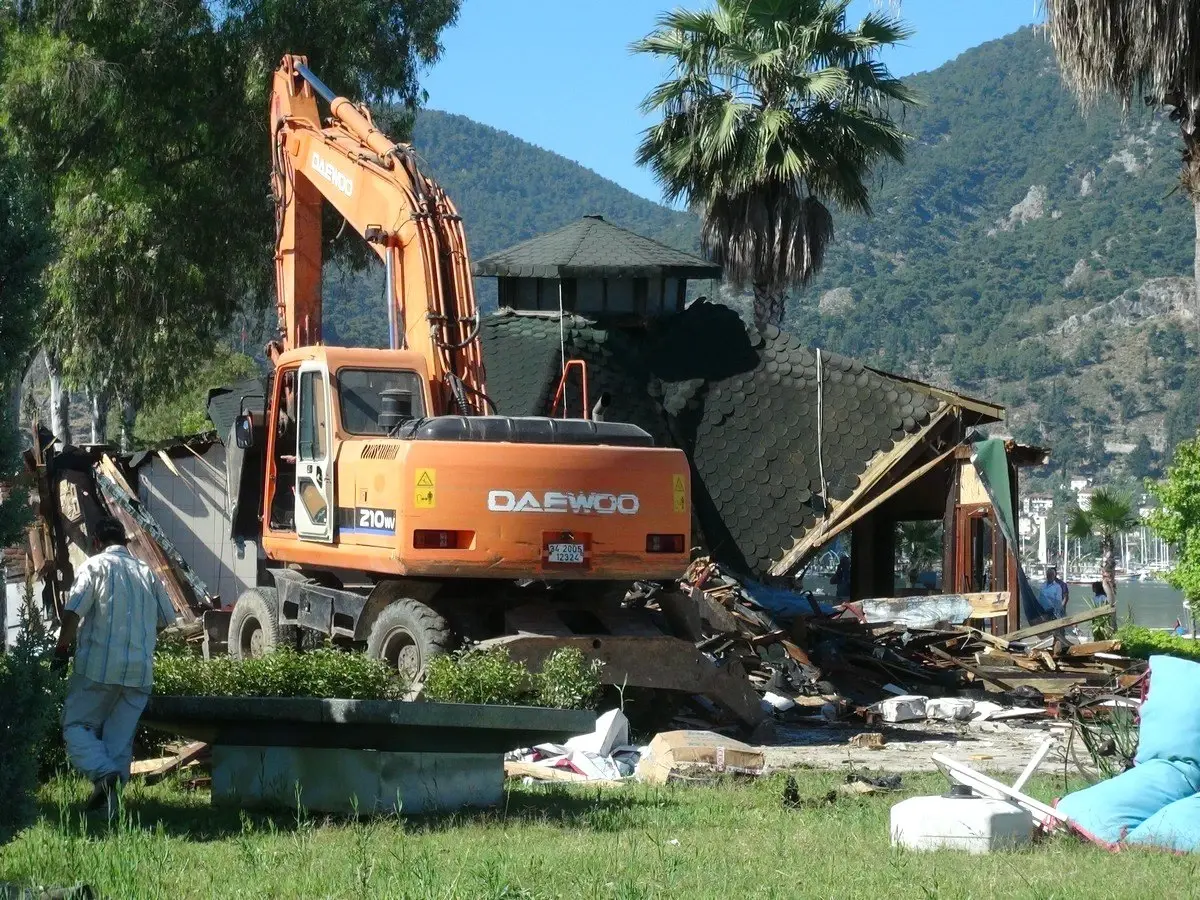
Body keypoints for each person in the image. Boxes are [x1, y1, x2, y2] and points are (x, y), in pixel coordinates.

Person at [53, 516, 179, 815]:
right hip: (139, 674)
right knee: (118, 744)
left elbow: (72, 613)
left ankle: (102, 773)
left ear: (96, 542)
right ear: (124, 541)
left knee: (75, 726)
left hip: (97, 668)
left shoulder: (94, 567)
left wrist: (61, 650)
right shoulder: (146, 572)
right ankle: (109, 813)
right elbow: (166, 620)